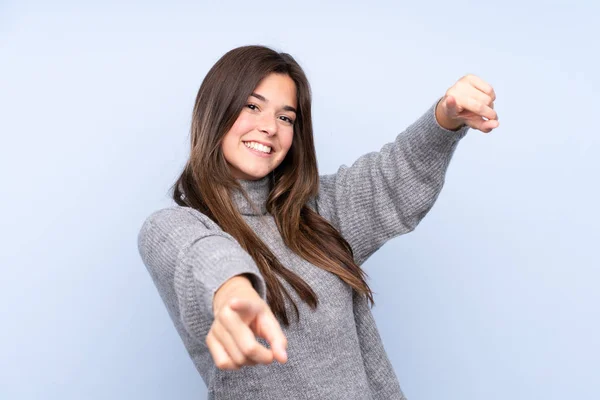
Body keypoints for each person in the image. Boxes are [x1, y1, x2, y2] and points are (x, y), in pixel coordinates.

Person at [137, 45, 499, 399]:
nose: (269, 128)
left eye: (285, 117)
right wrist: (233, 289)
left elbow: (393, 175)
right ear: (215, 111)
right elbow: (198, 255)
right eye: (252, 106)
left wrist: (445, 118)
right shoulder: (175, 227)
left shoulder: (316, 212)